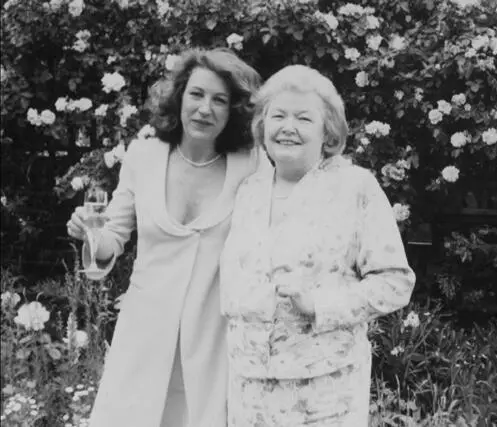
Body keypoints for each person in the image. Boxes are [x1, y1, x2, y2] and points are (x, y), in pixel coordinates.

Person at [66, 47, 266, 427]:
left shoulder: (252, 165)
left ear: (233, 110)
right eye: (196, 94)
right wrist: (90, 234)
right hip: (142, 336)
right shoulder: (144, 156)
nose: (205, 109)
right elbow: (113, 240)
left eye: (219, 100)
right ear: (179, 98)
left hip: (213, 340)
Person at [219, 65, 416, 426]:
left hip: (326, 393)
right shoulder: (248, 191)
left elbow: (395, 281)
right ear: (263, 127)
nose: (288, 127)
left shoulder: (356, 188)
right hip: (249, 391)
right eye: (277, 116)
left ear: (328, 131)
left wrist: (322, 304)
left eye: (304, 118)